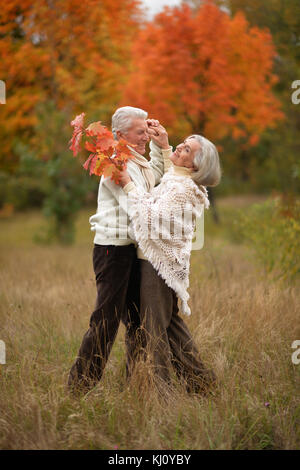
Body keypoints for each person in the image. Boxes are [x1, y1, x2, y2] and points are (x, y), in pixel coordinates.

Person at [68, 106, 171, 394]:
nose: (145, 137)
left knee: (137, 321)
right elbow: (141, 204)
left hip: (132, 250)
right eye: (140, 132)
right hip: (113, 251)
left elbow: (156, 181)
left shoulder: (136, 160)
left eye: (146, 131)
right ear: (119, 135)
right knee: (106, 320)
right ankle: (78, 387)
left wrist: (162, 147)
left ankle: (135, 384)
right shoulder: (114, 164)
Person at [119, 130, 221, 394]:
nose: (179, 148)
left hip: (159, 267)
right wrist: (165, 147)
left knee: (154, 331)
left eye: (186, 150)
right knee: (171, 327)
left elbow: (152, 218)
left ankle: (162, 394)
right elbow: (166, 179)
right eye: (183, 144)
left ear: (195, 165)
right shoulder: (179, 179)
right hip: (155, 262)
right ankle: (203, 384)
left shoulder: (185, 190)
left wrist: (128, 184)